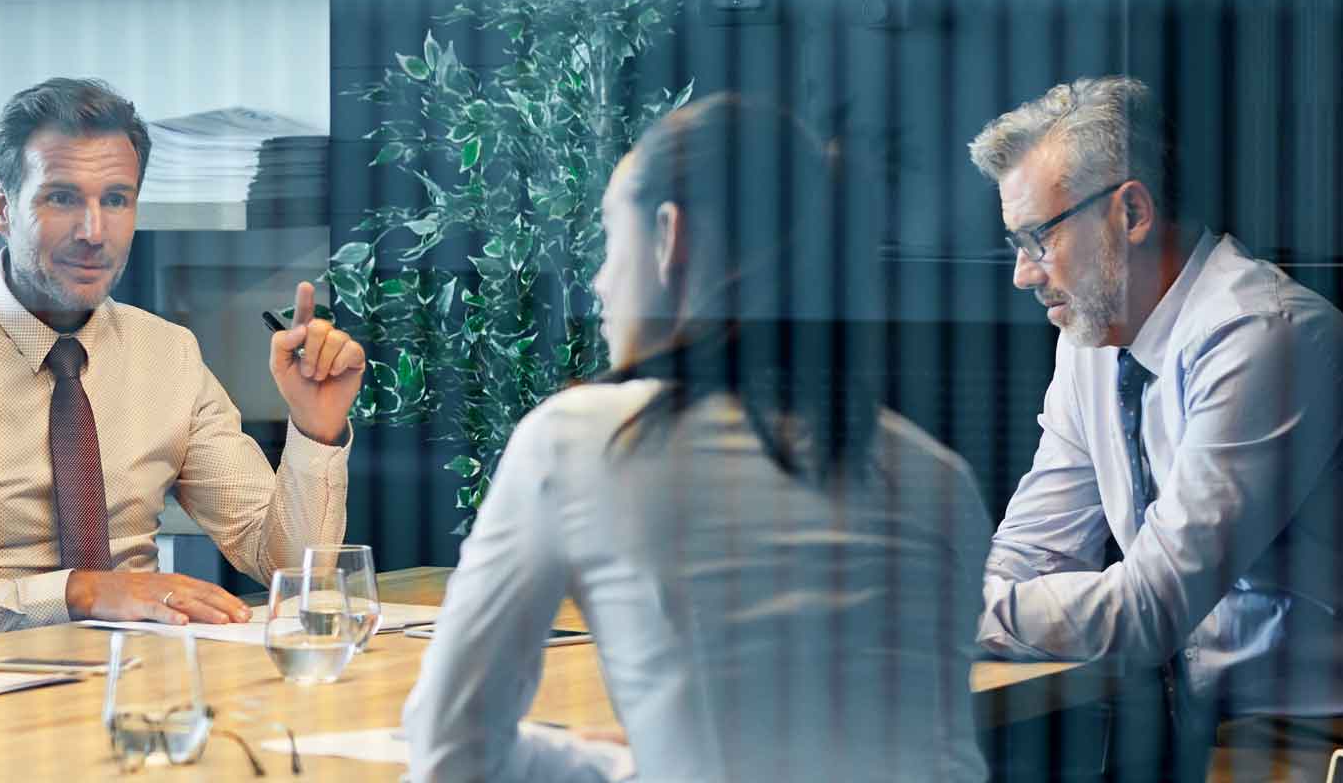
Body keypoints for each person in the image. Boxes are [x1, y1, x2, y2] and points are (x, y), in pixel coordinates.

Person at [402, 95, 992, 781]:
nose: (598, 283)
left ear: (668, 238)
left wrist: (617, 762)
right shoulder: (941, 478)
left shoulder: (584, 441)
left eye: (607, 239)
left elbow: (452, 754)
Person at [970, 76, 1343, 781]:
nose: (1022, 274)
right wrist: (989, 599)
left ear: (1130, 212)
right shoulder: (1089, 344)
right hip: (1211, 733)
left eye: (1039, 238)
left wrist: (968, 611)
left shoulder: (1265, 336)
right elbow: (1030, 549)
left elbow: (1149, 608)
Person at [0, 77, 367, 640]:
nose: (93, 232)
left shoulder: (168, 355)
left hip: (139, 691)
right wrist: (80, 593)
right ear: (1, 208)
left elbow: (291, 567)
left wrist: (315, 431)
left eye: (116, 200)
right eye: (62, 198)